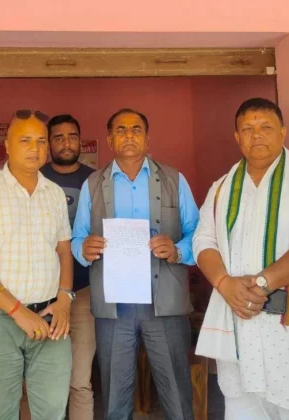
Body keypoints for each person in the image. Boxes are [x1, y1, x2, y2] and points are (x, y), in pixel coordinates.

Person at [193, 98, 289, 419]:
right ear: (237, 137)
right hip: (240, 329)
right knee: (243, 407)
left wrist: (261, 283)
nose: (256, 135)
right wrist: (223, 283)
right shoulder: (221, 189)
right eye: (247, 129)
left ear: (283, 132)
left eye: (266, 127)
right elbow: (203, 240)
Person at [72, 108, 199, 420]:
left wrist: (177, 250)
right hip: (114, 306)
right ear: (110, 140)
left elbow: (198, 234)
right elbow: (77, 238)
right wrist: (83, 249)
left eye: (136, 129)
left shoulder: (174, 179)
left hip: (165, 303)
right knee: (115, 397)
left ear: (147, 139)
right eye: (121, 130)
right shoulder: (93, 184)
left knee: (177, 394)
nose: (129, 135)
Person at [0, 109, 74, 419]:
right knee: (2, 412)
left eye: (41, 141)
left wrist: (64, 299)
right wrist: (17, 311)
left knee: (52, 411)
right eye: (25, 140)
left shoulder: (55, 194)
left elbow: (64, 251)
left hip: (50, 319)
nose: (35, 148)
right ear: (7, 145)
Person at [40, 114, 96, 420]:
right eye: (58, 137)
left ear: (80, 141)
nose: (66, 143)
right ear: (49, 143)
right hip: (42, 295)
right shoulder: (35, 178)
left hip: (84, 292)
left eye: (72, 137)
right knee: (39, 384)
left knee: (80, 382)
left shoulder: (96, 181)